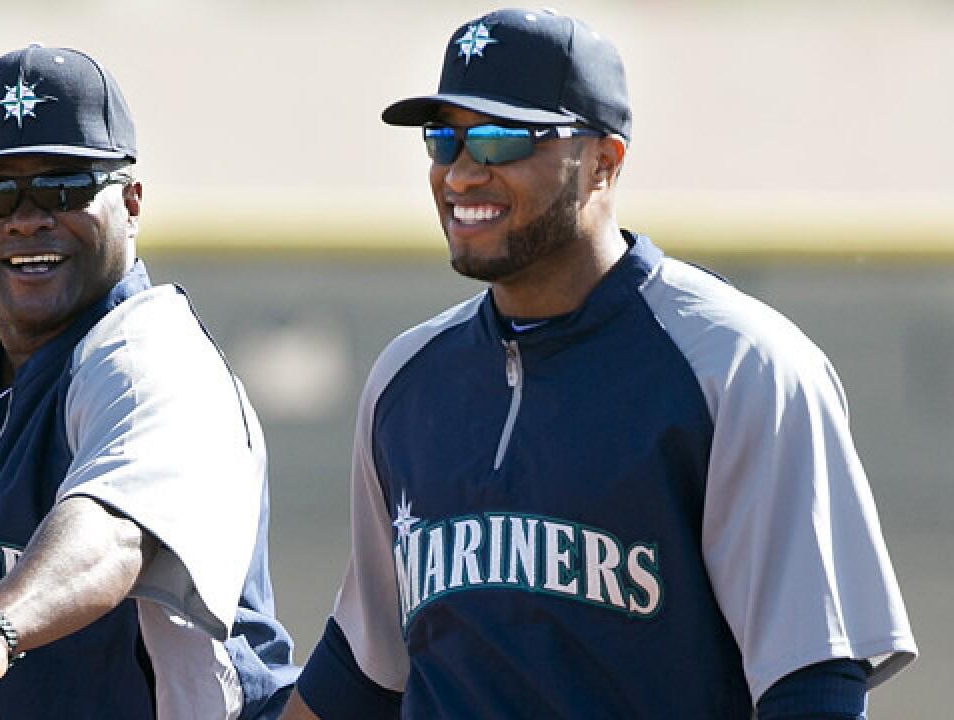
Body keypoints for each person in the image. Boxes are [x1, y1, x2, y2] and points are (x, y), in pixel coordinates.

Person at [282, 8, 917, 719]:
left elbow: (813, 684)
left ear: (605, 161)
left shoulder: (739, 367)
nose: (461, 172)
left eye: (500, 140)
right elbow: (362, 676)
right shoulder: (409, 381)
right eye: (444, 139)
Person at [0, 44, 297, 720]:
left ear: (131, 201)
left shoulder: (156, 357)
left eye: (63, 187)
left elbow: (114, 532)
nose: (26, 217)